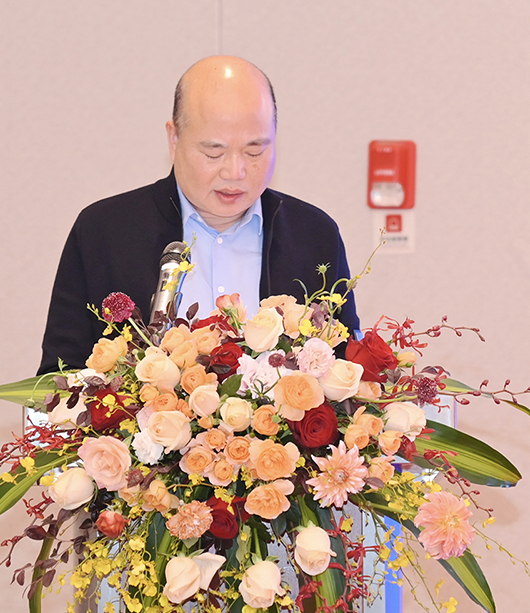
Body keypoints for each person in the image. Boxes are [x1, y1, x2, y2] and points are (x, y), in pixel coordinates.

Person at [37, 56, 358, 375]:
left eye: (255, 151)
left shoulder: (314, 235)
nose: (235, 171)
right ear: (174, 139)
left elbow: (346, 369)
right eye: (213, 152)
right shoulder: (104, 232)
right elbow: (58, 378)